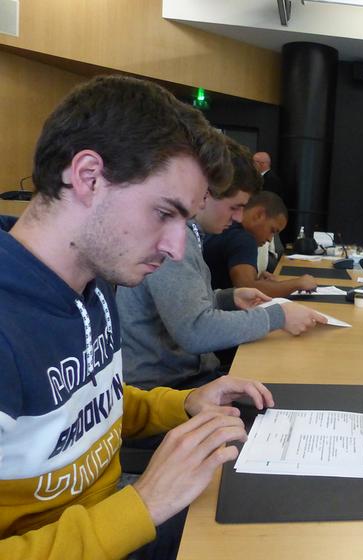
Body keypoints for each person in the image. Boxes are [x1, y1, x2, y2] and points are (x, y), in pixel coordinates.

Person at [0, 75, 275, 559]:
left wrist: (183, 404)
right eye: (163, 213)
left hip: (116, 526)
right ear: (87, 177)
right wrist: (145, 504)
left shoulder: (96, 281)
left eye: (183, 222)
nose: (174, 248)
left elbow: (87, 408)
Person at [117, 142, 327, 391]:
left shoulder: (191, 236)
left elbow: (182, 308)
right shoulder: (176, 241)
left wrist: (228, 298)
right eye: (234, 207)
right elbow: (195, 330)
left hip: (186, 378)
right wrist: (277, 316)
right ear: (205, 193)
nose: (238, 218)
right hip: (169, 388)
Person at [203, 190, 318, 297]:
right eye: (272, 231)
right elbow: (248, 289)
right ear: (259, 214)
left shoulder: (225, 230)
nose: (269, 239)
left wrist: (259, 282)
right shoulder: (244, 238)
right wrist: (298, 283)